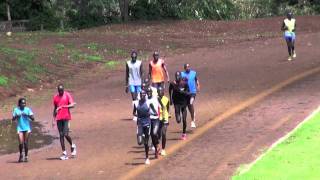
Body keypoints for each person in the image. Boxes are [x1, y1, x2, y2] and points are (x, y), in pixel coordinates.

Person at [133, 90, 158, 165]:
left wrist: (150, 113)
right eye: (141, 94)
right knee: (140, 142)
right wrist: (138, 116)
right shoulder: (136, 103)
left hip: (147, 123)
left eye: (144, 94)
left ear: (145, 95)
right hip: (140, 123)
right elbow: (134, 112)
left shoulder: (149, 103)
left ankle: (147, 158)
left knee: (146, 142)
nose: (143, 96)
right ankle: (144, 139)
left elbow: (155, 112)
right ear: (140, 95)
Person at [53, 84, 77, 160]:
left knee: (66, 134)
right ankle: (64, 153)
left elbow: (72, 105)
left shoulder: (67, 95)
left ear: (63, 89)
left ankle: (72, 145)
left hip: (66, 117)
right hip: (59, 118)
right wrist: (53, 119)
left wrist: (63, 106)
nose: (61, 92)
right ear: (58, 90)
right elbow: (55, 108)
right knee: (61, 135)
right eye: (59, 90)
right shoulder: (55, 97)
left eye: (62, 90)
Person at [12, 98, 35, 162]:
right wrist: (16, 116)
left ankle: (26, 156)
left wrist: (27, 115)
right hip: (20, 128)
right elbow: (13, 119)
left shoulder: (28, 109)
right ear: (19, 104)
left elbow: (33, 118)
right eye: (22, 103)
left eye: (24, 103)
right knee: (21, 143)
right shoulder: (16, 110)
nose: (24, 104)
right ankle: (21, 154)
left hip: (27, 128)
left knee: (25, 142)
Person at [169, 71, 190, 140]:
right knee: (178, 120)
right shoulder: (173, 83)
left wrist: (183, 92)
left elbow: (188, 92)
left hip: (184, 103)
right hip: (176, 102)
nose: (177, 77)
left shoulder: (184, 83)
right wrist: (171, 99)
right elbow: (170, 90)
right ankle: (177, 115)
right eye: (176, 76)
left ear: (180, 76)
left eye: (179, 76)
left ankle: (184, 134)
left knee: (184, 119)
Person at [125, 50, 143, 121]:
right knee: (134, 98)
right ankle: (135, 113)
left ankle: (135, 111)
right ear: (131, 57)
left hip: (138, 82)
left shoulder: (139, 63)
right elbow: (126, 74)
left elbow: (142, 73)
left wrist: (143, 83)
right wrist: (126, 85)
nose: (134, 58)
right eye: (133, 57)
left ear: (136, 57)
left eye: (135, 57)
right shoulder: (128, 63)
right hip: (131, 82)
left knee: (138, 98)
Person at [181, 63, 200, 128]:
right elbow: (180, 81)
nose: (188, 68)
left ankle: (192, 121)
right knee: (188, 106)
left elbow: (196, 80)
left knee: (191, 103)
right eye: (186, 67)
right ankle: (193, 113)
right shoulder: (182, 74)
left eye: (189, 66)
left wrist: (198, 85)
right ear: (184, 68)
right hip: (186, 92)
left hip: (192, 92)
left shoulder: (193, 73)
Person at [146, 87, 161, 159]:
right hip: (149, 119)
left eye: (149, 92)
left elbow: (161, 106)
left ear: (152, 92)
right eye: (147, 92)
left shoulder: (156, 98)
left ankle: (157, 145)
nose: (148, 93)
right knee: (151, 135)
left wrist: (161, 114)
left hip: (156, 119)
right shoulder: (145, 99)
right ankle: (156, 148)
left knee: (154, 133)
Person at [157, 87, 170, 156]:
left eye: (161, 91)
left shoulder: (166, 99)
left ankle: (163, 149)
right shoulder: (155, 99)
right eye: (158, 91)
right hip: (158, 118)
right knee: (158, 134)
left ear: (163, 92)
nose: (160, 93)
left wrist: (167, 117)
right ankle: (157, 146)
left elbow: (167, 109)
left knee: (163, 133)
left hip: (164, 119)